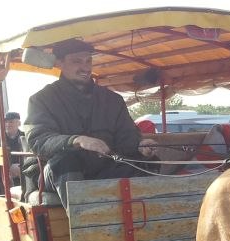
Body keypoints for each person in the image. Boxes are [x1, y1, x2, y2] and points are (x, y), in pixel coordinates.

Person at [25, 38, 157, 207]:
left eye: (89, 61)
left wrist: (140, 145)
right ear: (60, 63)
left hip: (103, 168)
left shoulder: (112, 100)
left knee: (143, 164)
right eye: (77, 61)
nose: (85, 67)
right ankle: (86, 228)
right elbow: (38, 139)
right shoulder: (41, 100)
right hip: (58, 171)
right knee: (66, 162)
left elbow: (127, 136)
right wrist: (76, 140)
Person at [0, 111, 26, 189]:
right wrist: (9, 166)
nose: (7, 124)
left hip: (24, 172)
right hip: (2, 174)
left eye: (11, 122)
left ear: (19, 123)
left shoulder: (25, 136)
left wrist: (22, 167)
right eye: (5, 122)